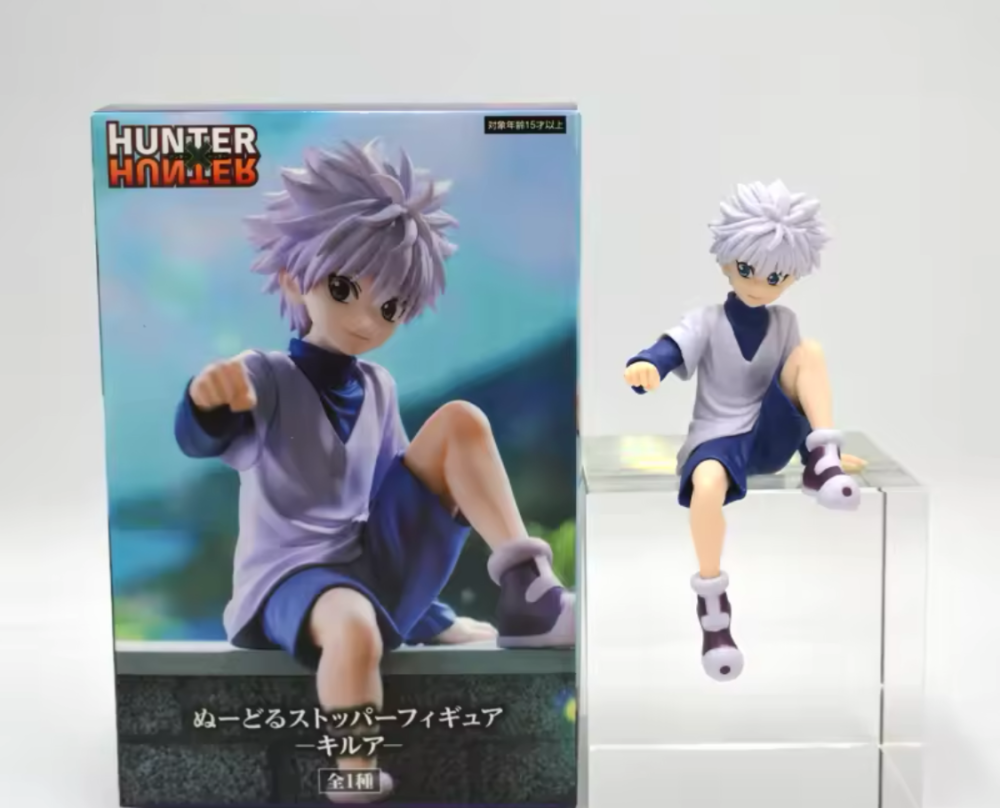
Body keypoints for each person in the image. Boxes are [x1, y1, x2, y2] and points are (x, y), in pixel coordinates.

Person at [174, 140, 575, 803]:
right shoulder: (264, 376)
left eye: (389, 308)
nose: (366, 319)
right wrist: (206, 401)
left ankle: (528, 593)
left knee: (462, 421)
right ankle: (352, 763)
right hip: (292, 581)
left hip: (365, 564)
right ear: (293, 278)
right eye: (344, 289)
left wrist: (428, 615)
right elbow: (202, 436)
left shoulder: (379, 387)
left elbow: (399, 501)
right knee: (353, 624)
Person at [624, 180, 862, 682]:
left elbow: (800, 388)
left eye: (775, 276)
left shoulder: (785, 322)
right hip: (717, 438)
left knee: (811, 353)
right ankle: (713, 607)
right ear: (726, 261)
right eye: (748, 268)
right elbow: (672, 347)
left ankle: (823, 461)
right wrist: (649, 365)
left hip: (770, 435)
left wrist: (813, 450)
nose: (758, 284)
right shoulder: (707, 320)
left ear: (792, 277)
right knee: (707, 487)